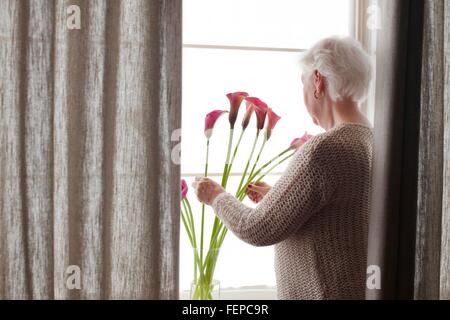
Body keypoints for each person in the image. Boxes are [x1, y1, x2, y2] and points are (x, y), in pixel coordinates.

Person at [192, 36, 373, 299]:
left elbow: (254, 228)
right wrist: (278, 198)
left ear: (318, 81)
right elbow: (339, 214)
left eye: (303, 82)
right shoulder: (372, 140)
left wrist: (215, 196)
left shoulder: (323, 150)